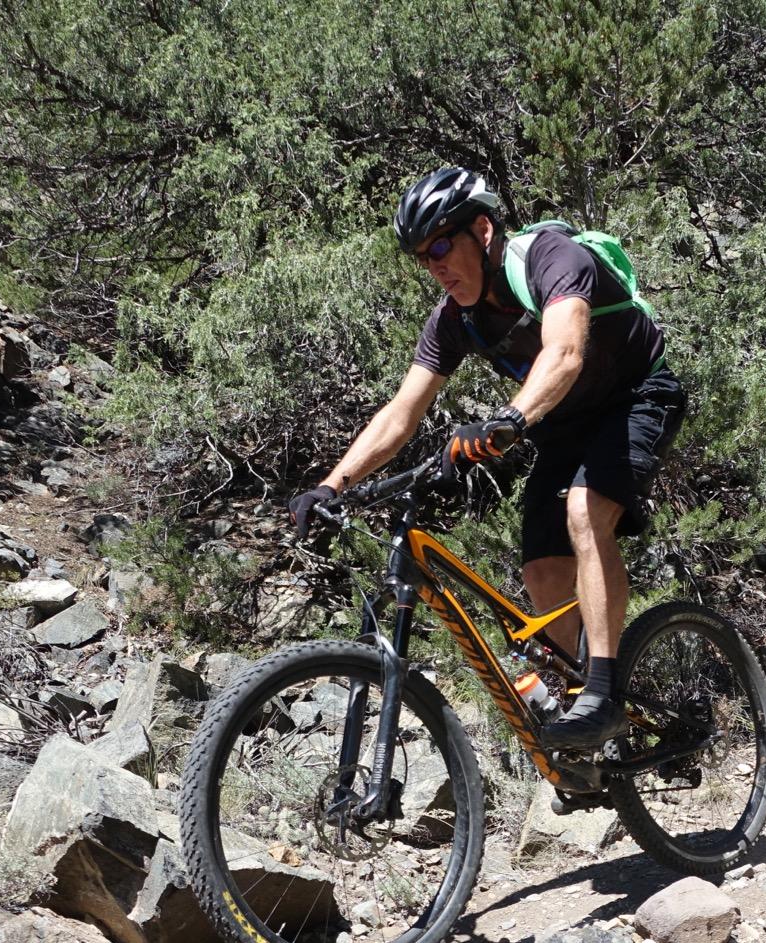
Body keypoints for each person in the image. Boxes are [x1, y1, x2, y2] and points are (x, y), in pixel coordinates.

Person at [287, 167, 687, 749]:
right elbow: (403, 412)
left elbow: (566, 351)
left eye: (443, 246)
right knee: (542, 572)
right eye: (423, 257)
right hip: (564, 423)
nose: (435, 266)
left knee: (584, 511)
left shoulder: (550, 257)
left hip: (639, 396)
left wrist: (509, 421)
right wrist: (332, 485)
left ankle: (602, 695)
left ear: (483, 229)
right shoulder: (454, 320)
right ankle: (583, 721)